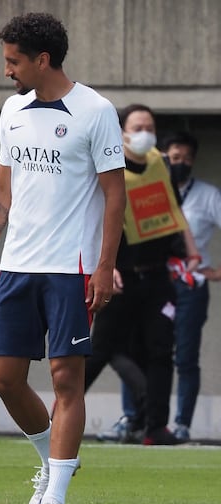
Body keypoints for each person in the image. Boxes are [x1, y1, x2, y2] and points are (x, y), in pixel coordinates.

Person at [0, 13, 126, 504]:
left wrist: (105, 266)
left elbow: (115, 195)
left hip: (71, 268)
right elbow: (1, 189)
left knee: (65, 381)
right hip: (17, 265)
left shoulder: (95, 111)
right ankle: (53, 462)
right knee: (5, 380)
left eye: (13, 61)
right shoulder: (11, 111)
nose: (6, 70)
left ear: (42, 59)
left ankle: (54, 497)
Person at [86, 105, 201, 447]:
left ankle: (155, 428)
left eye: (149, 126)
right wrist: (103, 267)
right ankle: (58, 414)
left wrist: (191, 251)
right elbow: (91, 221)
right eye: (137, 126)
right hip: (118, 275)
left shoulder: (160, 164)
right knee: (100, 349)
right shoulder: (108, 166)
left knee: (160, 351)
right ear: (121, 132)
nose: (144, 132)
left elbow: (175, 212)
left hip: (156, 276)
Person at [164, 131, 221, 441]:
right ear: (164, 157)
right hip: (156, 284)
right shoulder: (154, 192)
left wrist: (217, 272)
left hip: (191, 285)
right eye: (174, 159)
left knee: (185, 356)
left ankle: (182, 422)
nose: (180, 164)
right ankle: (137, 418)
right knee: (145, 353)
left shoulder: (208, 195)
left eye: (186, 159)